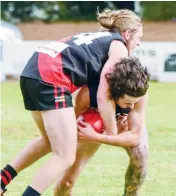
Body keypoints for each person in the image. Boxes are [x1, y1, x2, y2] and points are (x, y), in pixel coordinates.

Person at [0, 9, 143, 196]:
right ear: (127, 33)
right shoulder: (120, 48)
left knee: (50, 142)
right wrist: (112, 130)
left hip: (31, 72)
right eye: (139, 36)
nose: (139, 42)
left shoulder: (99, 38)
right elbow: (103, 94)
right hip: (51, 78)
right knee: (65, 156)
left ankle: (2, 180)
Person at [54, 58, 150, 196]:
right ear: (114, 95)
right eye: (128, 102)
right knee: (66, 183)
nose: (132, 107)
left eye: (135, 102)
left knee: (141, 154)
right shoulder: (88, 94)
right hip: (90, 128)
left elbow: (135, 137)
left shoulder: (139, 91)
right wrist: (87, 135)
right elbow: (70, 127)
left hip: (109, 130)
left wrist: (98, 137)